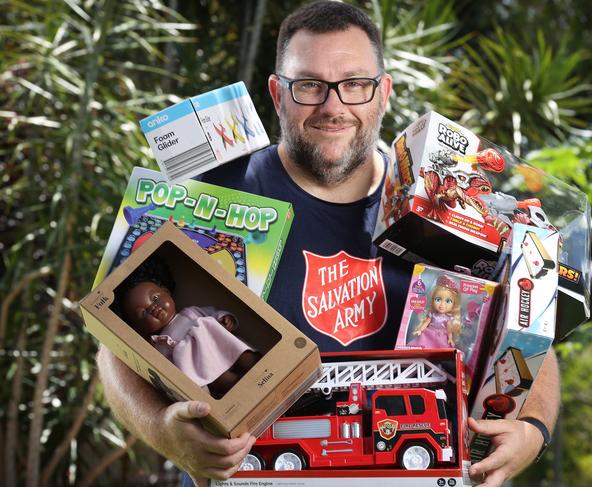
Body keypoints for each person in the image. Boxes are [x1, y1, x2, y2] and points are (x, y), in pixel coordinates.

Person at [96, 2, 560, 486]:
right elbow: (116, 347)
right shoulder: (212, 196)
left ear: (383, 93)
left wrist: (532, 429)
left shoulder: (446, 206)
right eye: (309, 85)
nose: (333, 107)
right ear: (278, 94)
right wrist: (164, 433)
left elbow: (532, 331)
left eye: (355, 84)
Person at [113, 256, 259, 398]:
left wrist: (225, 318)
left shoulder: (190, 312)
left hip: (220, 344)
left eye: (155, 298)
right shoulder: (160, 345)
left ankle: (256, 364)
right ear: (139, 329)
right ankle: (241, 392)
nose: (153, 308)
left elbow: (212, 313)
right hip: (205, 366)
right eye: (143, 312)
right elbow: (177, 374)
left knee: (245, 356)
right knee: (222, 381)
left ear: (167, 292)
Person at [409, 274, 462, 348]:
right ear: (433, 299)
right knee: (422, 343)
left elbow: (449, 330)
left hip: (441, 337)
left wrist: (450, 339)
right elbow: (426, 322)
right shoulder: (432, 314)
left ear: (454, 304)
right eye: (438, 300)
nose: (442, 305)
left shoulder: (448, 318)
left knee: (441, 347)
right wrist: (420, 330)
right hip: (429, 333)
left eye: (448, 301)